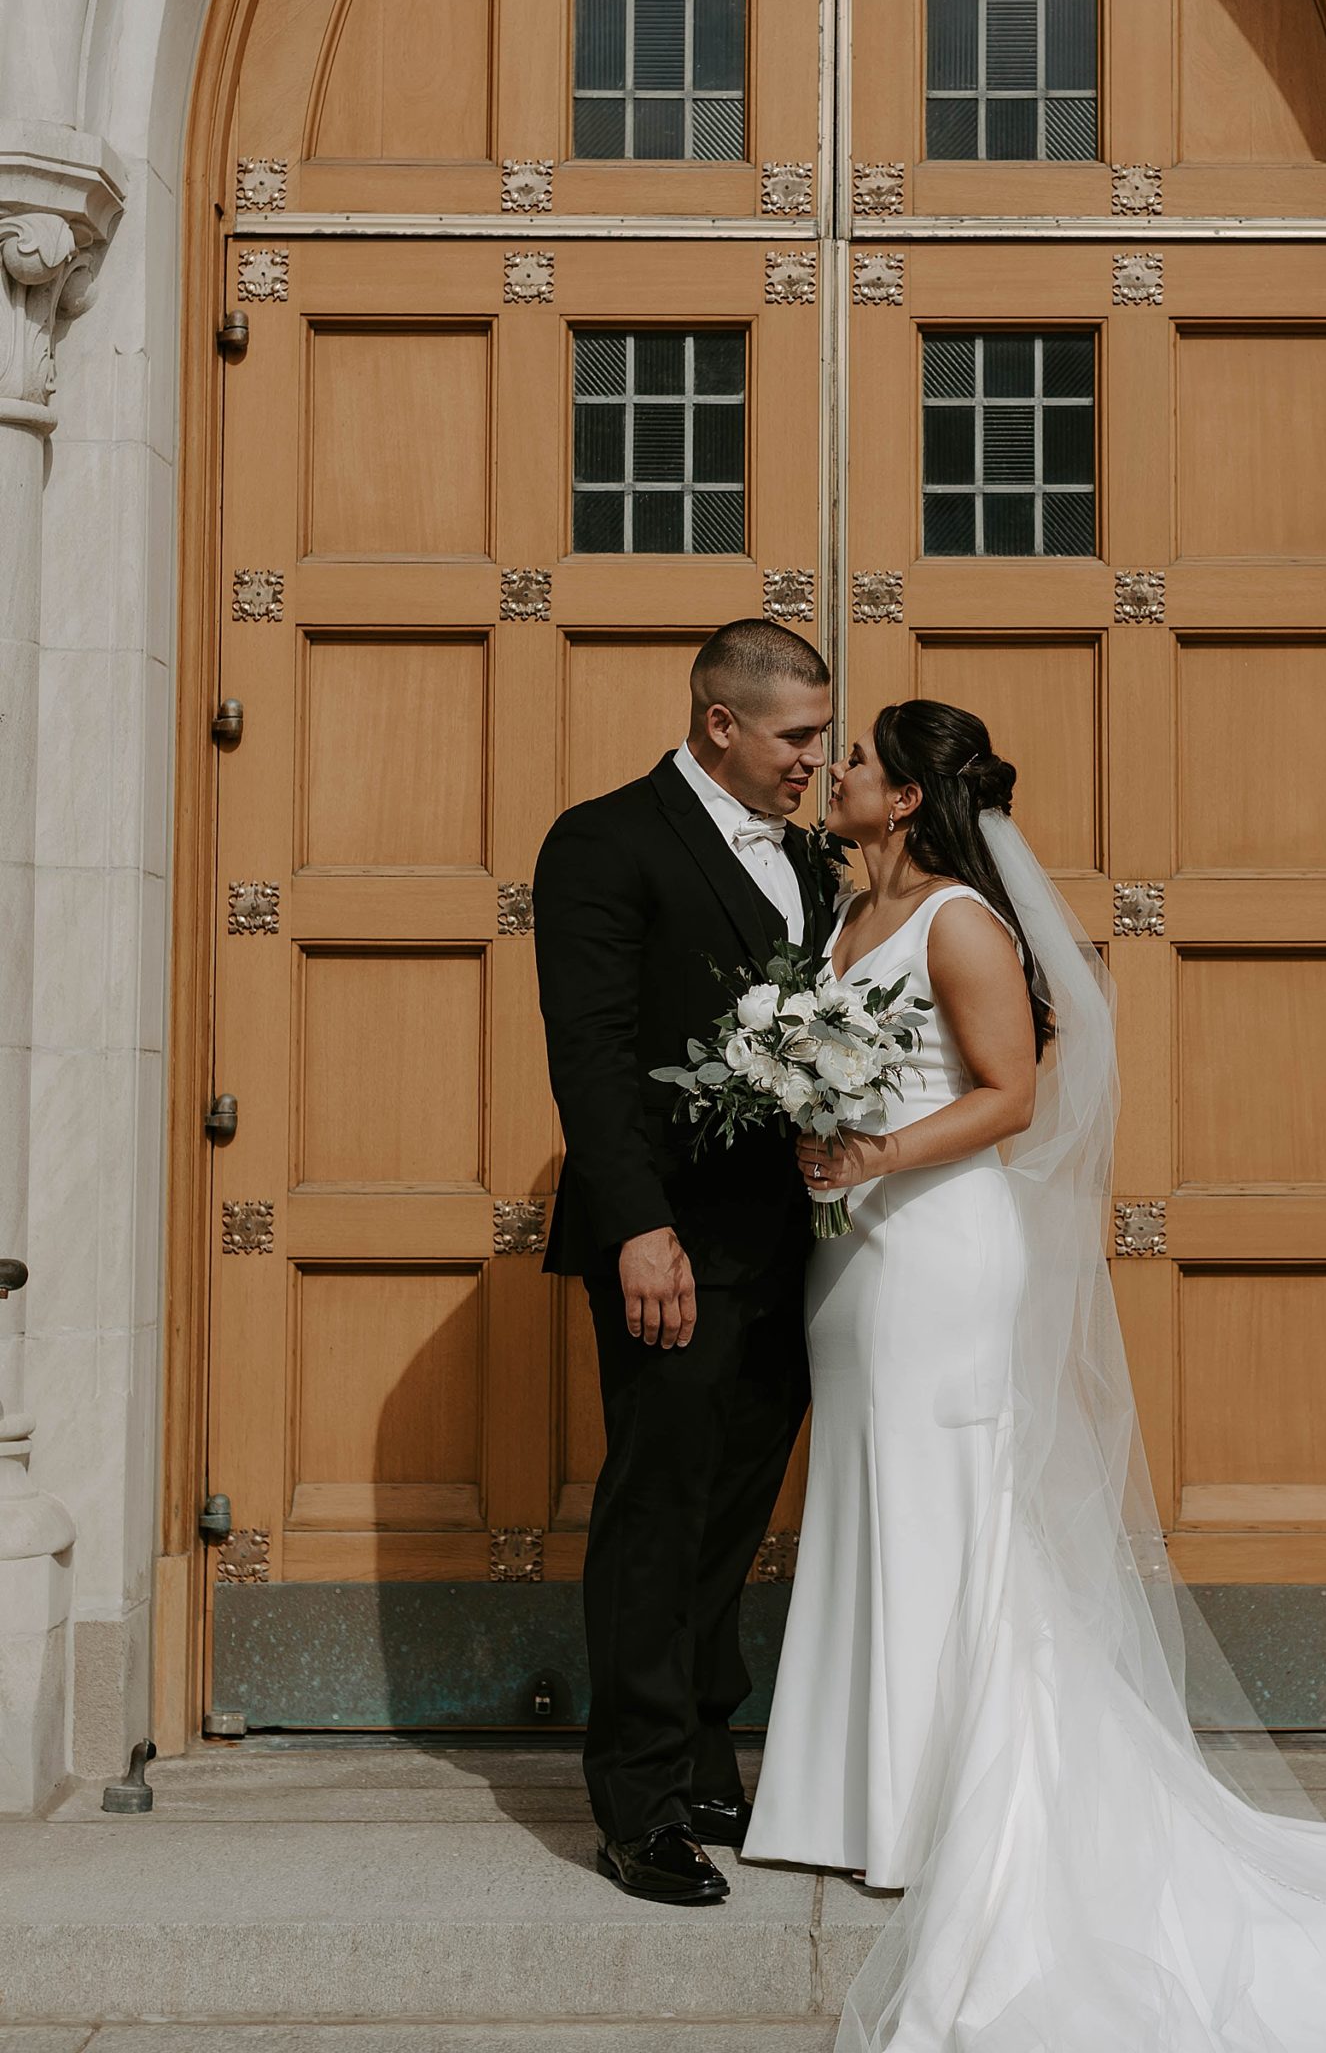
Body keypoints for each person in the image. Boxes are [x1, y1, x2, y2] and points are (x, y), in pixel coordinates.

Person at [745, 698, 1326, 2051]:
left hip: (938, 1259)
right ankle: (846, 1792)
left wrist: (873, 1158)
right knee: (868, 1498)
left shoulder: (961, 920)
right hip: (852, 1267)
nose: (835, 774)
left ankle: (934, 1803)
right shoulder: (844, 924)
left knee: (939, 1501)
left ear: (907, 799)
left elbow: (1012, 1092)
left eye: (856, 762)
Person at [531, 618, 839, 1908]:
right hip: (670, 1244)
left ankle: (710, 1751)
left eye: (822, 741)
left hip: (794, 1248)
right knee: (657, 1512)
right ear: (721, 722)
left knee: (734, 1508)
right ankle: (639, 1803)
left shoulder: (817, 863)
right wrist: (639, 1228)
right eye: (796, 739)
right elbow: (592, 1058)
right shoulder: (602, 842)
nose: (813, 764)